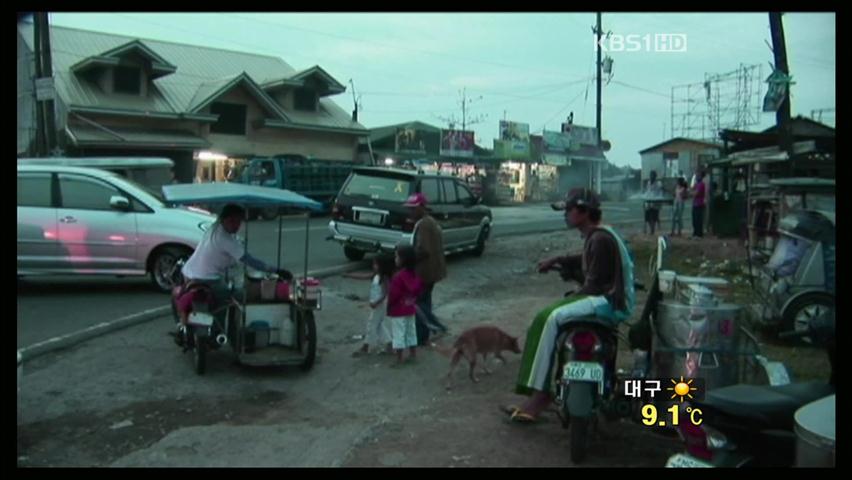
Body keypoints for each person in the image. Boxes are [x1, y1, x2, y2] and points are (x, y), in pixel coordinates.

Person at [506, 188, 635, 423]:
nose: (565, 214)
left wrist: (573, 295)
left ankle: (541, 395)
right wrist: (557, 260)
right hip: (606, 299)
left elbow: (594, 285)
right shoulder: (597, 236)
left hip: (606, 302)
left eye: (569, 210)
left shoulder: (600, 238)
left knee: (547, 318)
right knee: (552, 316)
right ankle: (543, 390)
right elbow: (585, 259)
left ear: (584, 212)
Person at [175, 204, 292, 333]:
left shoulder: (214, 228)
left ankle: (183, 326)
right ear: (225, 219)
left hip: (188, 274)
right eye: (233, 221)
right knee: (229, 299)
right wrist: (277, 270)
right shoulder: (227, 241)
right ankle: (218, 331)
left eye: (239, 222)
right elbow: (251, 262)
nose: (237, 225)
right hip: (208, 280)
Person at [403, 192, 449, 344]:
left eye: (413, 208)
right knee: (424, 303)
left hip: (424, 272)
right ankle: (426, 333)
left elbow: (424, 250)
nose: (410, 211)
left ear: (422, 207)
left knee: (419, 306)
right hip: (430, 271)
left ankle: (426, 333)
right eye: (409, 208)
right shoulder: (428, 222)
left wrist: (407, 258)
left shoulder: (424, 225)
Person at [345, 254, 395, 357]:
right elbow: (363, 276)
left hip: (379, 305)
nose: (373, 266)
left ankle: (366, 346)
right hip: (376, 304)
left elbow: (386, 293)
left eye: (375, 264)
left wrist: (377, 302)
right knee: (379, 325)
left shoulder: (384, 278)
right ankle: (389, 343)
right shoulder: (376, 276)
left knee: (371, 324)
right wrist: (349, 275)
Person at [387, 244, 424, 365]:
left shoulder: (398, 277)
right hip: (410, 307)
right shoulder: (414, 274)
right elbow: (419, 290)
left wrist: (390, 305)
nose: (395, 259)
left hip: (398, 309)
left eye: (397, 256)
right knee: (410, 331)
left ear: (403, 259)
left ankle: (399, 358)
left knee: (398, 333)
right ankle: (413, 354)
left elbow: (393, 294)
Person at [644, 170, 663, 235]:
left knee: (654, 217)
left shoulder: (658, 183)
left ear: (655, 177)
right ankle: (651, 229)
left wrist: (659, 199)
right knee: (648, 217)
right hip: (648, 202)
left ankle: (652, 230)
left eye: (652, 175)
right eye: (650, 175)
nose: (651, 177)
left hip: (655, 203)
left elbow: (660, 192)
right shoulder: (648, 183)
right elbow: (647, 191)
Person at [692, 171, 708, 238]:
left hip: (699, 203)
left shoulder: (701, 184)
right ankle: (695, 233)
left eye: (698, 175)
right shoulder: (697, 184)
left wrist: (691, 193)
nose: (697, 177)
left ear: (701, 177)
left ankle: (699, 234)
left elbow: (696, 193)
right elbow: (692, 189)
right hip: (695, 203)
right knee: (695, 219)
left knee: (698, 219)